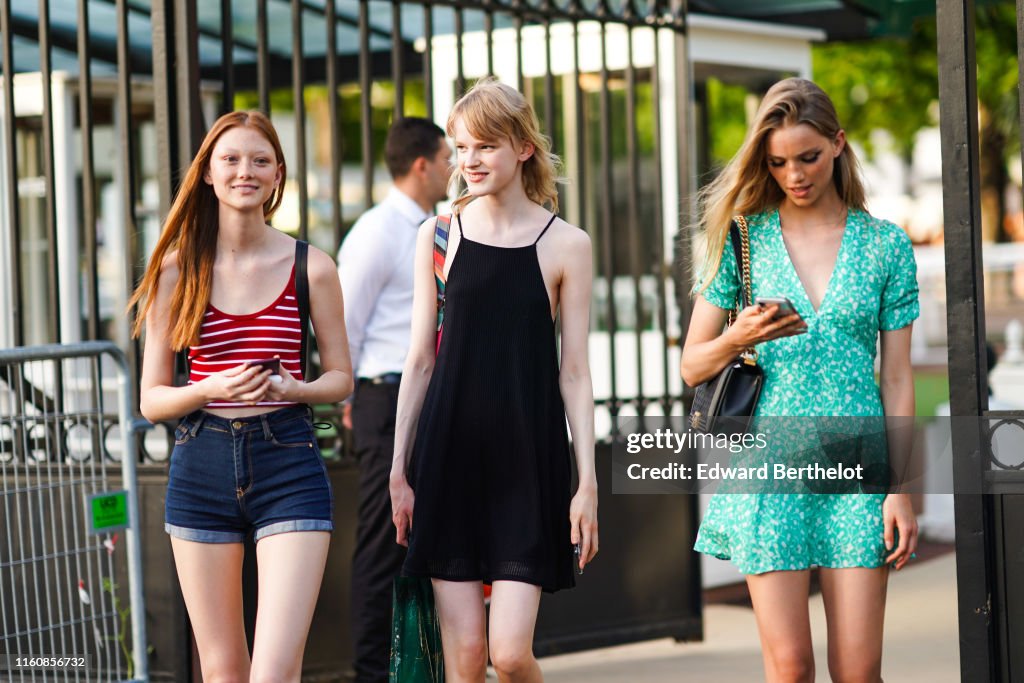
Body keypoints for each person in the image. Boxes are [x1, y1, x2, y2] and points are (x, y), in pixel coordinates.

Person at [681, 78, 920, 682]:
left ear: (838, 144)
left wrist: (901, 487)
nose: (794, 174)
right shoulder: (742, 240)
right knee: (790, 669)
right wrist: (744, 336)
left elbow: (895, 380)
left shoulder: (885, 245)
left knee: (858, 672)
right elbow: (692, 364)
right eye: (778, 162)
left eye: (808, 157)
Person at [129, 111, 353, 682]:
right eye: (230, 159)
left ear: (278, 174)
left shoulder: (313, 266)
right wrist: (211, 387)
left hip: (289, 460)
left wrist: (294, 388)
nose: (244, 172)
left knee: (274, 672)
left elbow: (341, 379)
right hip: (200, 461)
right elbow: (151, 400)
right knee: (224, 668)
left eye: (259, 160)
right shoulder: (177, 272)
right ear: (207, 173)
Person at [389, 78, 598, 683]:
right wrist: (400, 469)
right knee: (462, 659)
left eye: (485, 146)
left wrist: (586, 484)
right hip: (448, 455)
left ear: (523, 148)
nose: (469, 161)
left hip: (527, 464)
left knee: (508, 655)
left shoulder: (567, 244)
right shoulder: (439, 234)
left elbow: (576, 371)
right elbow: (420, 359)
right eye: (461, 148)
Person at [337, 116, 450, 683]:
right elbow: (343, 324)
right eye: (448, 156)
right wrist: (350, 396)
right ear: (422, 163)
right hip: (384, 399)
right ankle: (369, 674)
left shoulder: (438, 227)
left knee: (428, 545)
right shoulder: (379, 232)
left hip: (430, 400)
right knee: (385, 543)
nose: (456, 166)